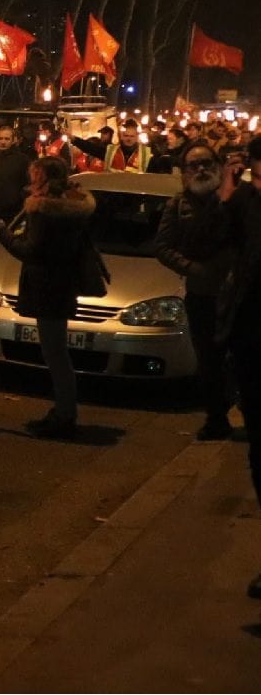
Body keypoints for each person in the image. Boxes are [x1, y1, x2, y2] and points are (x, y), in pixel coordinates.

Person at [0, 156, 95, 439]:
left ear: (44, 178)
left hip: (48, 287)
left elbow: (30, 250)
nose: (31, 180)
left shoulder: (44, 212)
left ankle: (65, 415)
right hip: (62, 284)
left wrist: (2, 232)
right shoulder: (72, 205)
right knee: (57, 353)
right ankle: (63, 411)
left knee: (55, 355)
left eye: (34, 175)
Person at [156, 141, 235, 440]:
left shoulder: (235, 199)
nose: (201, 169)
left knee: (239, 356)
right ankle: (216, 417)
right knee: (208, 358)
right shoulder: (177, 204)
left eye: (207, 163)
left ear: (218, 166)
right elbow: (162, 246)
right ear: (185, 171)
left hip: (236, 293)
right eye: (194, 165)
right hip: (201, 294)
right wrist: (191, 268)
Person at [219, 136, 261, 600]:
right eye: (256, 175)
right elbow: (216, 238)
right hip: (251, 339)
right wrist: (228, 192)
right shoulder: (245, 201)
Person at [72, 118, 151, 173]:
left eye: (132, 136)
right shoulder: (111, 151)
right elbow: (91, 148)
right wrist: (74, 139)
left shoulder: (145, 153)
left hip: (136, 193)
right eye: (126, 136)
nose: (129, 139)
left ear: (137, 136)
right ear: (121, 136)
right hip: (113, 192)